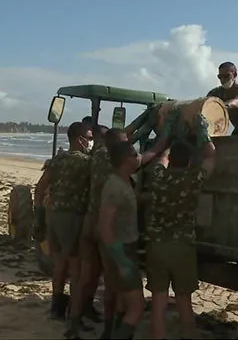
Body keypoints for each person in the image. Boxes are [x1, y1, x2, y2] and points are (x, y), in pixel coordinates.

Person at [146, 139, 216, 339]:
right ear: (189, 161)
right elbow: (212, 157)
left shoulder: (159, 178)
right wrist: (204, 137)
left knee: (158, 303)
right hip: (182, 248)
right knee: (184, 302)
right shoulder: (193, 179)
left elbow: (161, 160)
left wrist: (168, 143)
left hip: (157, 246)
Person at [34, 122, 92, 330]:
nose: (91, 141)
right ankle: (74, 318)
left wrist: (39, 218)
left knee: (59, 265)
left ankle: (56, 308)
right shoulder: (86, 163)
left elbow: (40, 189)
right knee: (77, 271)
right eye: (89, 137)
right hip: (73, 219)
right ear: (79, 139)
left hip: (54, 217)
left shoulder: (57, 161)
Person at [73, 126, 129, 338]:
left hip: (90, 220)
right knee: (112, 282)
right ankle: (107, 331)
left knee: (85, 277)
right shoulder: (117, 158)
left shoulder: (96, 155)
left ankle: (73, 325)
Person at [98, 141, 144, 340]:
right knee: (137, 307)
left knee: (123, 301)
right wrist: (122, 262)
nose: (137, 158)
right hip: (122, 251)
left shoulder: (124, 182)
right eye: (135, 155)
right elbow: (105, 228)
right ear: (127, 160)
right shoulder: (116, 186)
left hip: (124, 249)